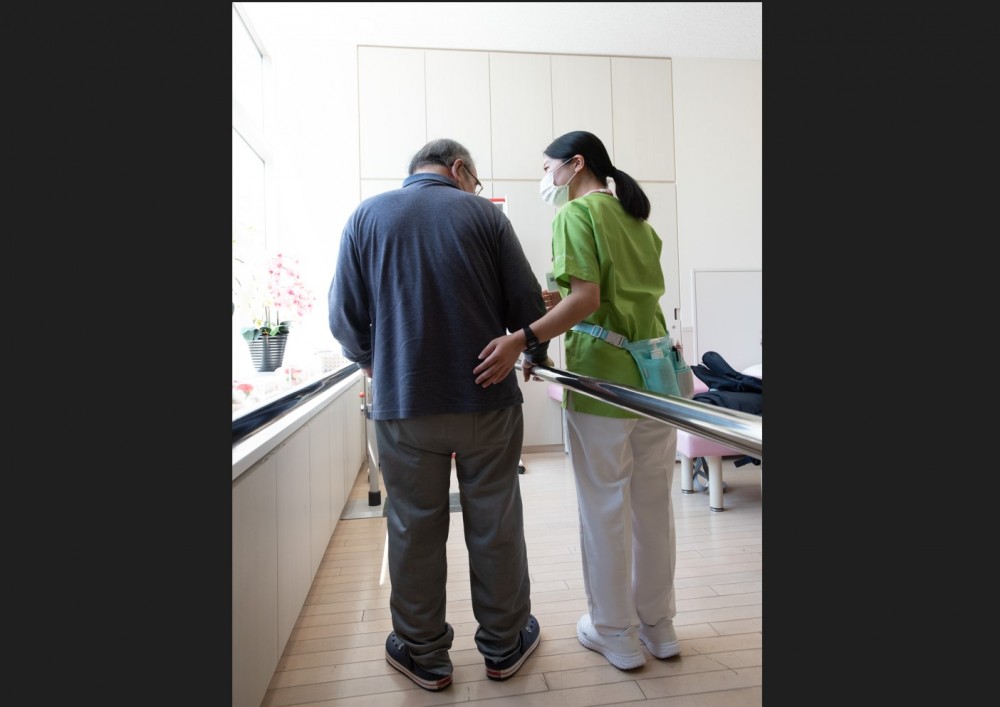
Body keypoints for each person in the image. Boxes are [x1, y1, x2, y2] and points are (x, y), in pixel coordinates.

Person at [328, 138, 549, 691]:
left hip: (404, 404)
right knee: (496, 522)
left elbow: (343, 316)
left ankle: (423, 652)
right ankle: (504, 645)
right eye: (474, 180)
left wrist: (374, 360)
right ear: (459, 168)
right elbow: (526, 306)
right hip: (487, 400)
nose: (473, 188)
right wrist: (533, 352)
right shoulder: (485, 216)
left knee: (413, 527)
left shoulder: (366, 217)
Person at [473, 130, 680, 671]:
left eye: (548, 167)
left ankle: (614, 633)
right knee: (653, 505)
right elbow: (615, 297)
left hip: (605, 381)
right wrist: (558, 303)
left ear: (575, 164)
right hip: (657, 377)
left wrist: (524, 337)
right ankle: (659, 628)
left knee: (605, 506)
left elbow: (587, 301)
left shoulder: (576, 214)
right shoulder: (637, 219)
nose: (546, 178)